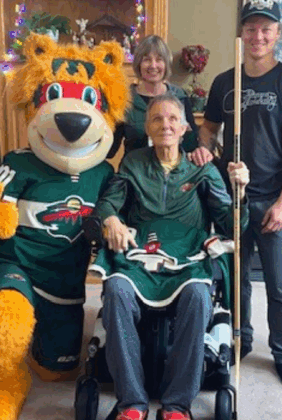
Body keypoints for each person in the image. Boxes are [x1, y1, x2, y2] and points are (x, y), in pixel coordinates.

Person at [89, 93, 249, 420]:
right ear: (147, 126)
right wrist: (112, 220)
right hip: (139, 255)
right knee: (116, 292)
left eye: (173, 119)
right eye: (158, 119)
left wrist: (241, 192)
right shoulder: (133, 162)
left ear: (185, 127)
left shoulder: (201, 168)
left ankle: (177, 406)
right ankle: (131, 403)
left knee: (199, 294)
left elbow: (233, 224)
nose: (166, 125)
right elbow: (108, 203)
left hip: (188, 256)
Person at [189, 0, 282, 390]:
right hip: (233, 200)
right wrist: (206, 148)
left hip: (274, 199)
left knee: (278, 285)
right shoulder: (225, 82)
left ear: (277, 33)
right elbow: (207, 130)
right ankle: (241, 340)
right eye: (250, 27)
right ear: (241, 33)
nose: (257, 35)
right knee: (236, 279)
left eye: (266, 28)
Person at [108, 35, 199, 159]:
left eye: (159, 59)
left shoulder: (180, 97)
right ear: (138, 64)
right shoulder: (124, 99)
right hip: (134, 172)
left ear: (166, 64)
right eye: (147, 60)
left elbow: (192, 146)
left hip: (172, 173)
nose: (153, 65)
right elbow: (110, 150)